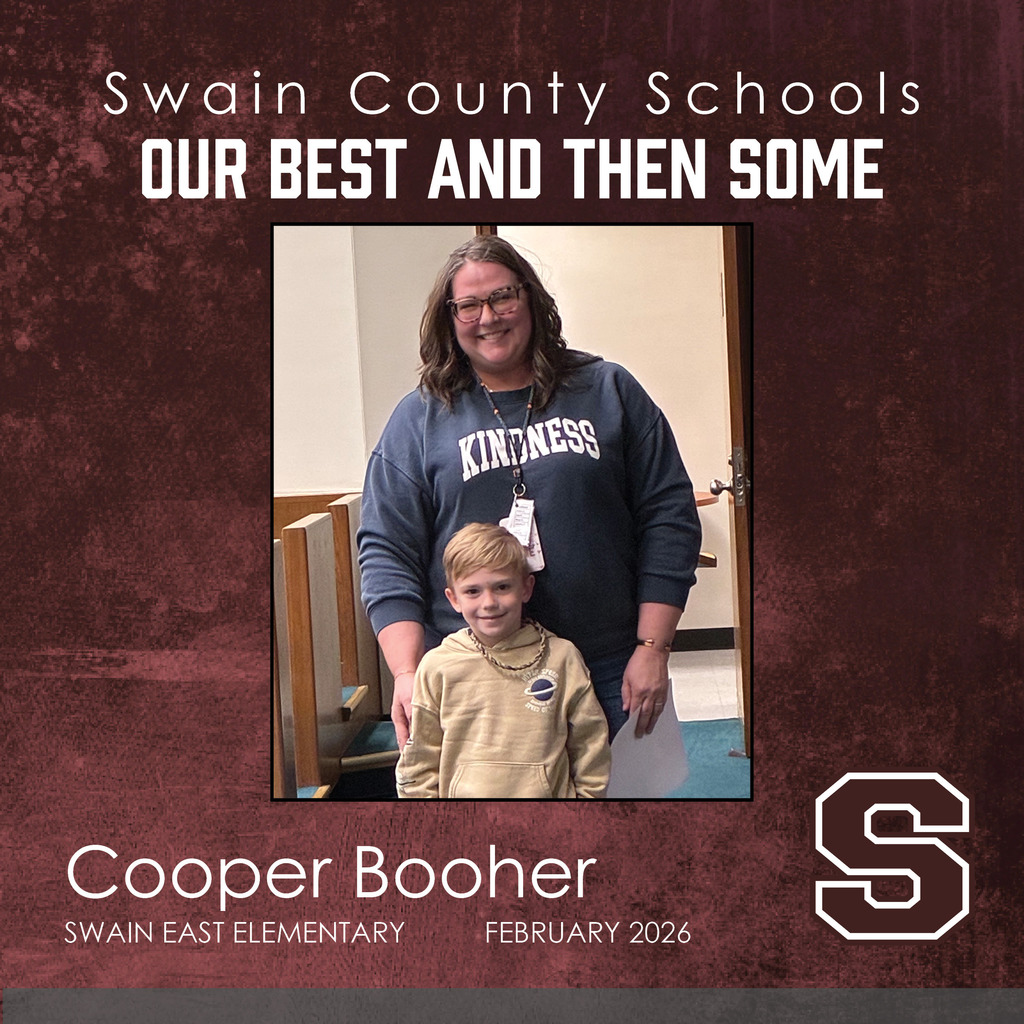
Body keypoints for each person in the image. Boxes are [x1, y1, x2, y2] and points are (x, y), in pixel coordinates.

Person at [358, 233, 701, 749]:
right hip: (472, 676)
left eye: (502, 297)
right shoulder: (420, 418)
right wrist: (407, 673)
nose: (488, 317)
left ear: (530, 298)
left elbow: (668, 517)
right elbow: (386, 548)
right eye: (468, 305)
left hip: (606, 666)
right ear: (449, 318)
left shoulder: (607, 389)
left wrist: (654, 646)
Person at [395, 523, 610, 799]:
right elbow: (420, 760)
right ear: (453, 598)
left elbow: (590, 744)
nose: (489, 602)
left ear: (525, 588)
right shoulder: (437, 666)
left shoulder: (562, 657)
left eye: (502, 587)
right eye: (473, 591)